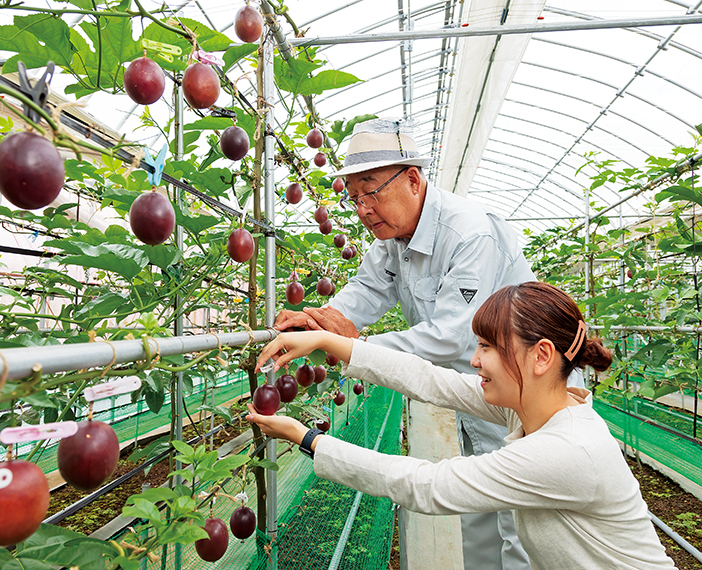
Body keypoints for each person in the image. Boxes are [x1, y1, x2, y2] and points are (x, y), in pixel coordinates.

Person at [250, 282, 677, 570]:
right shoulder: (532, 408)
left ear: (542, 356)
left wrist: (304, 437)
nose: (475, 360)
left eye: (488, 347)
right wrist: (329, 341)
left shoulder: (566, 450)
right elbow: (431, 379)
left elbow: (428, 485)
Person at [276, 117, 538, 569]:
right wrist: (319, 319)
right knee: (475, 502)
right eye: (354, 196)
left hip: (523, 393)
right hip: (476, 392)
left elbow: (449, 337)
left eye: (370, 191)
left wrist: (346, 346)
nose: (361, 208)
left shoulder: (467, 233)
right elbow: (365, 292)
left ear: (412, 180)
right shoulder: (394, 241)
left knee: (521, 519)